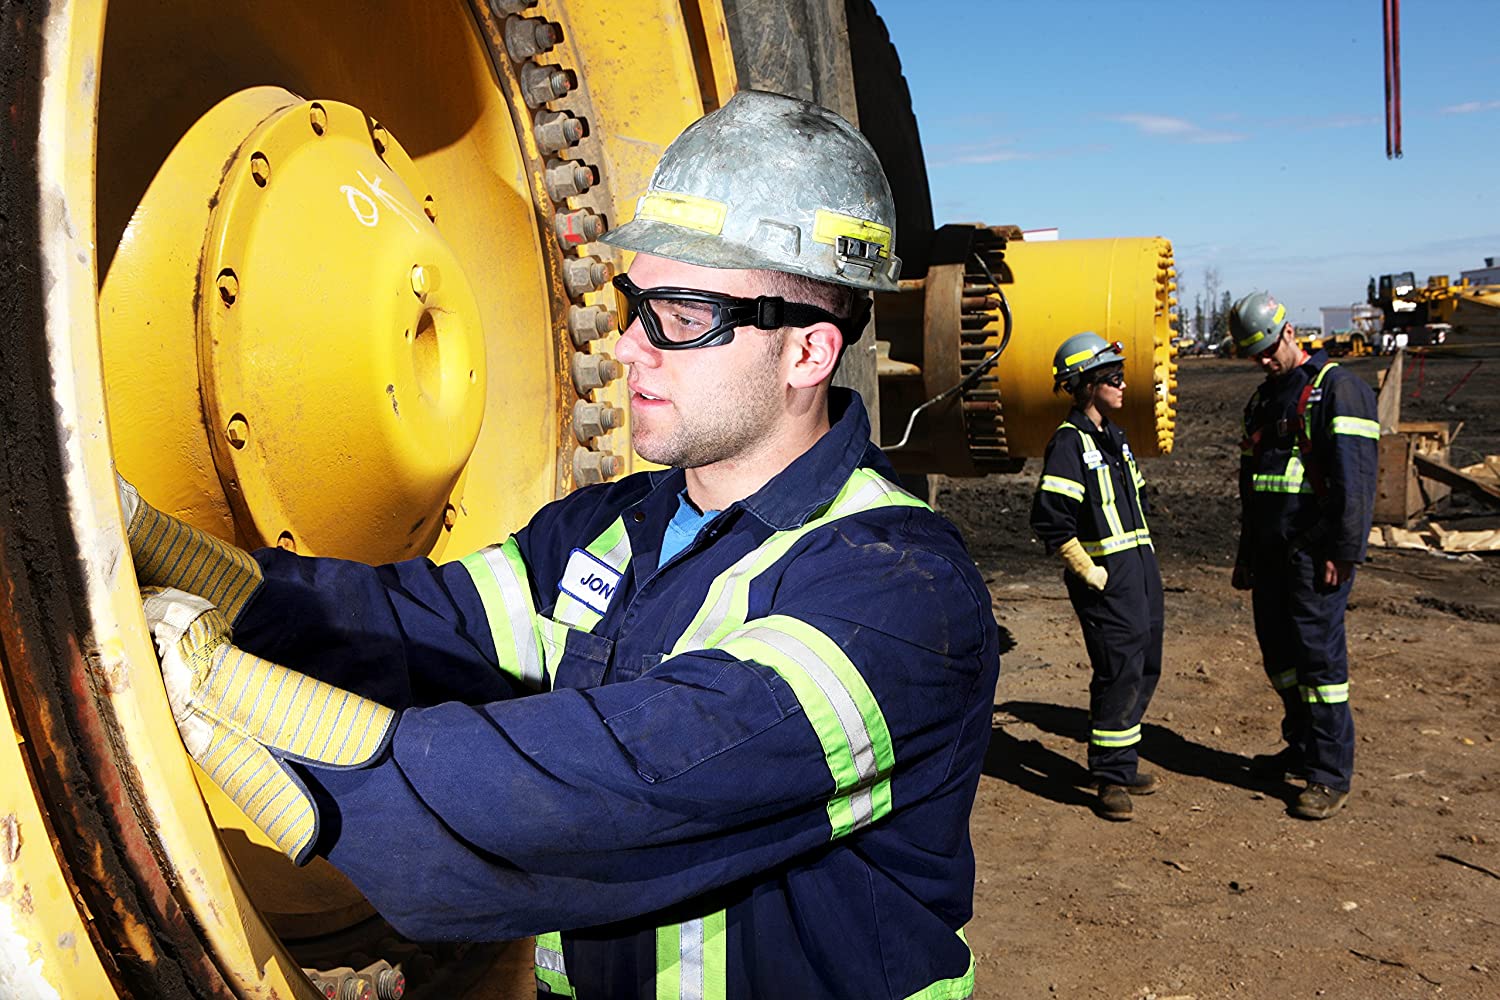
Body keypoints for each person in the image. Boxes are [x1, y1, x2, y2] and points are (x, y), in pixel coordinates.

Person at [122, 90, 1000, 1000]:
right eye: (633, 303)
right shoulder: (606, 530)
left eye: (682, 316)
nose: (629, 347)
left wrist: (233, 702)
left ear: (807, 353)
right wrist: (162, 551)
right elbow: (410, 627)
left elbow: (624, 784)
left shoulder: (902, 592)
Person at [1228, 291, 1379, 821]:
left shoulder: (1337, 389)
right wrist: (1246, 554)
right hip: (1271, 555)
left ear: (1289, 332)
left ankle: (1329, 774)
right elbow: (1251, 488)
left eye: (1269, 350)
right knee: (1281, 661)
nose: (1265, 361)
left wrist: (1344, 549)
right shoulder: (1262, 401)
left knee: (1319, 667)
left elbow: (1357, 480)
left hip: (1315, 557)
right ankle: (1302, 746)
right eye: (1255, 356)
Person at [1029, 333, 1163, 822]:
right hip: (1107, 580)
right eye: (1113, 378)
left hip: (1139, 572)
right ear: (1086, 385)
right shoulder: (1069, 443)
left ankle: (1121, 760)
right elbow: (1050, 518)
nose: (1123, 385)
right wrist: (1088, 570)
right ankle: (1110, 776)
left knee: (1145, 665)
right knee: (1118, 670)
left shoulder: (1116, 438)